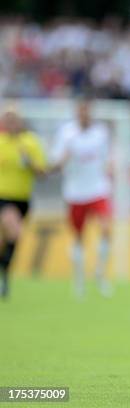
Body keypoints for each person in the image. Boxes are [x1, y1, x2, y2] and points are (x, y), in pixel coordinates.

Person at [51, 99, 113, 297]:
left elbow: (106, 158)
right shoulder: (66, 133)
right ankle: (79, 279)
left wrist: (109, 168)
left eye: (88, 111)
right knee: (78, 237)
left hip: (97, 189)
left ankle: (100, 274)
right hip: (75, 192)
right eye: (82, 111)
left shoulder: (100, 133)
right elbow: (55, 163)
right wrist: (64, 158)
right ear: (77, 113)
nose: (85, 115)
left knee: (105, 229)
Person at [0, 110, 46, 299]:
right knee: (14, 232)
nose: (10, 124)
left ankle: (5, 276)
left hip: (23, 199)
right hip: (2, 197)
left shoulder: (30, 142)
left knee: (5, 241)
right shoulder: (1, 143)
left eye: (13, 120)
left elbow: (42, 172)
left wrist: (29, 163)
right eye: (6, 120)